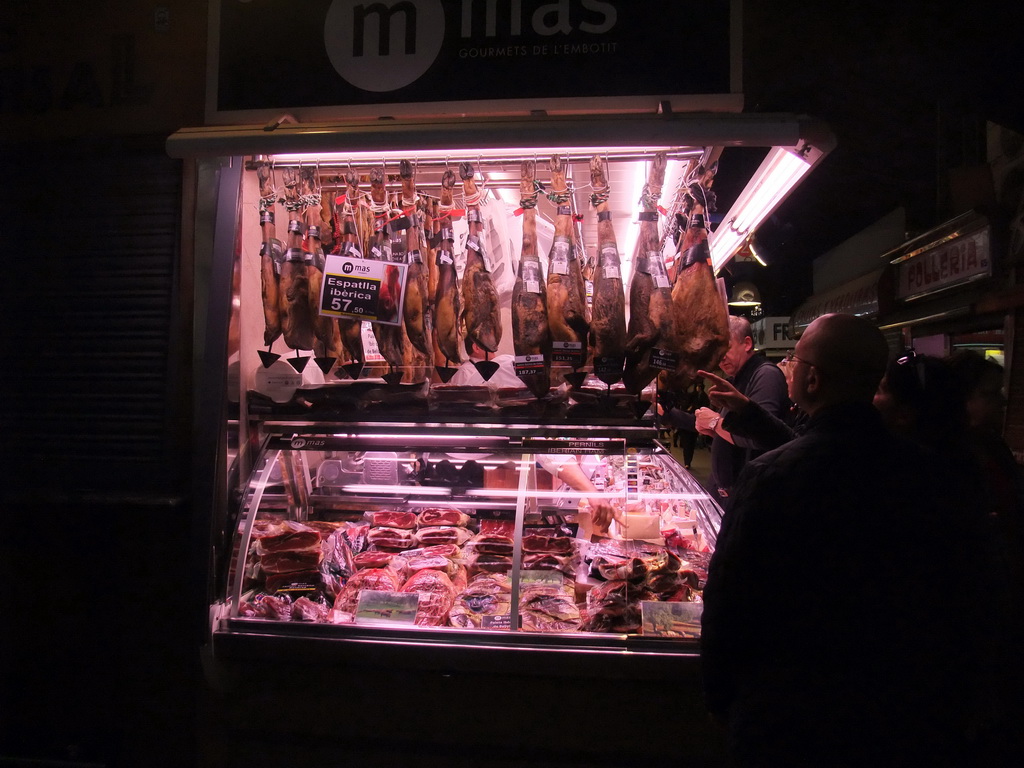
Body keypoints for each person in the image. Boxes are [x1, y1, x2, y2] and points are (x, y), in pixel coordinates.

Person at [700, 313, 985, 767]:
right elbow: (966, 594)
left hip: (787, 712)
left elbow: (730, 595)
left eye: (795, 361)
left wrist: (719, 695)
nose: (788, 367)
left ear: (812, 379)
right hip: (899, 710)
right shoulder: (929, 474)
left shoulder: (770, 477)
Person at [664, 315, 788, 500]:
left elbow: (760, 436)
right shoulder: (737, 379)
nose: (720, 358)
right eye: (715, 352)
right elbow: (725, 430)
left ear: (746, 344)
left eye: (726, 348)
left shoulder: (766, 375)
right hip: (726, 492)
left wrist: (715, 423)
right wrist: (667, 414)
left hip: (750, 496)